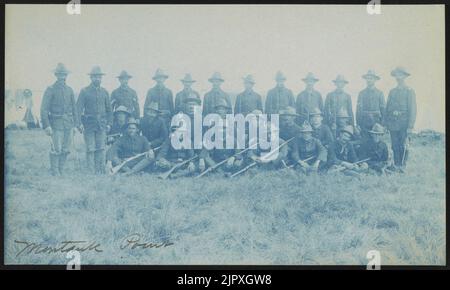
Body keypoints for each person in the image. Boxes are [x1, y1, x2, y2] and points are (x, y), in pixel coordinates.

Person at [40, 63, 79, 176]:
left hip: (69, 124)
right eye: (60, 75)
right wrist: (46, 125)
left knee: (66, 148)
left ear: (66, 75)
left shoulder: (69, 90)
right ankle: (55, 171)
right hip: (56, 123)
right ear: (56, 75)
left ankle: (61, 169)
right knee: (56, 148)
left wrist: (76, 125)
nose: (62, 77)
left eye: (64, 75)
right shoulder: (50, 89)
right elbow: (44, 109)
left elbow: (74, 108)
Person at [77, 65, 113, 174]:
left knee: (101, 148)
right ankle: (90, 170)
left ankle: (99, 170)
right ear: (91, 78)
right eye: (95, 77)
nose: (97, 79)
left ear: (101, 78)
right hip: (89, 124)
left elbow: (109, 110)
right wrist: (79, 124)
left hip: (101, 125)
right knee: (90, 148)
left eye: (99, 77)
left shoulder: (105, 92)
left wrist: (109, 123)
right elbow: (78, 109)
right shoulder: (84, 91)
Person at [385, 66, 417, 171]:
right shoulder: (392, 91)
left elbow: (413, 109)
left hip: (404, 123)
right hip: (393, 124)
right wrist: (386, 123)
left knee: (404, 145)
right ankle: (397, 164)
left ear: (404, 76)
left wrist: (410, 126)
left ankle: (403, 165)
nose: (399, 77)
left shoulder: (409, 91)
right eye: (397, 75)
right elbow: (387, 108)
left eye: (401, 75)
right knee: (395, 145)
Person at [199, 100, 239, 174]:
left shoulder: (232, 123)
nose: (220, 111)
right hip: (216, 149)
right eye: (218, 109)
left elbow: (236, 140)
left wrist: (233, 157)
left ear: (226, 110)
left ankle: (225, 170)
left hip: (229, 149)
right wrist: (202, 157)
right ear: (216, 111)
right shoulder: (211, 123)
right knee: (207, 157)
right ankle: (220, 171)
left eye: (223, 109)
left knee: (238, 162)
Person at [356, 70, 385, 141]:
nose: (369, 80)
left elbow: (383, 109)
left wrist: (383, 124)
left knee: (376, 142)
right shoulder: (361, 93)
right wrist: (358, 124)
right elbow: (358, 110)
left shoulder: (380, 93)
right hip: (364, 122)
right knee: (365, 141)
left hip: (376, 122)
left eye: (371, 78)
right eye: (367, 78)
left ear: (375, 80)